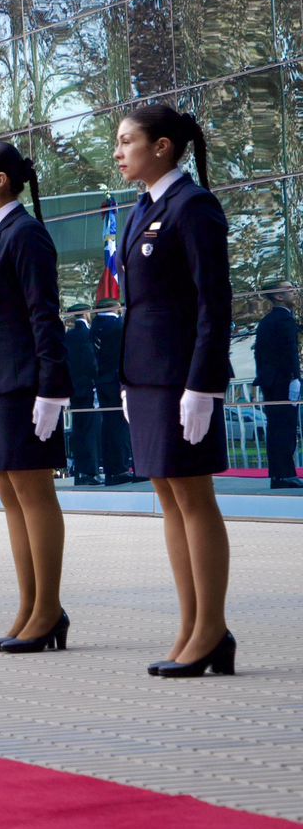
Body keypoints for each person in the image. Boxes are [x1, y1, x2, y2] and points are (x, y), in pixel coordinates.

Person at [114, 104, 236, 679]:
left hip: (181, 375)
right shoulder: (143, 208)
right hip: (146, 375)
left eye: (126, 141)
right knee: (168, 496)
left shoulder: (193, 206)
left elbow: (214, 301)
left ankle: (211, 629)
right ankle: (191, 624)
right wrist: (125, 375)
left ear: (162, 146)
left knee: (194, 498)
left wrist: (203, 383)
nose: (118, 152)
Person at [0, 141, 74, 655]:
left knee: (32, 491)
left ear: (1, 180)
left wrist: (51, 387)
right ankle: (29, 606)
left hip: (23, 381)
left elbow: (43, 314)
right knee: (9, 492)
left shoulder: (25, 234)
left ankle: (47, 609)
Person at [253, 287, 301, 489]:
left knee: (277, 428)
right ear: (279, 296)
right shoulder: (283, 320)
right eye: (290, 290)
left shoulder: (267, 321)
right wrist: (294, 378)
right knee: (285, 428)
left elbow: (260, 355)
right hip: (283, 381)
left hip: (271, 381)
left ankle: (280, 474)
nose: (295, 293)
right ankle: (285, 475)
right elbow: (289, 351)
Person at [92, 299, 141, 484]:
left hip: (102, 382)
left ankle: (113, 470)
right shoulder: (118, 326)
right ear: (115, 308)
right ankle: (125, 467)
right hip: (117, 382)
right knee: (122, 426)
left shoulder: (94, 327)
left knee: (110, 426)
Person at [65, 306, 103, 488]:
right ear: (86, 314)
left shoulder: (68, 337)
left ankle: (80, 472)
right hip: (88, 389)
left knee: (78, 431)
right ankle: (90, 472)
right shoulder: (88, 335)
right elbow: (91, 362)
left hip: (74, 391)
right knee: (89, 432)